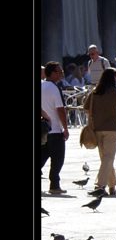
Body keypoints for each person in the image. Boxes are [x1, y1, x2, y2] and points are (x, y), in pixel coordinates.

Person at [40, 62, 70, 194]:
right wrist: (66, 128)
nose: (61, 73)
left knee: (41, 157)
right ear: (52, 73)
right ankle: (54, 186)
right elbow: (60, 110)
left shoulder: (41, 85)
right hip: (55, 130)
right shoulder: (53, 88)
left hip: (43, 129)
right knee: (57, 159)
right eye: (59, 71)